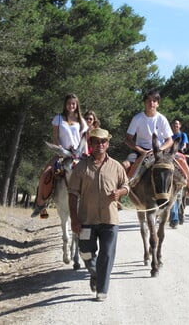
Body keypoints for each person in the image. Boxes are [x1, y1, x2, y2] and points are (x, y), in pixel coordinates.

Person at [68, 128, 129, 302]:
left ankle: (102, 290)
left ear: (107, 144)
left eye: (103, 142)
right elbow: (72, 194)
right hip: (86, 219)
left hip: (110, 220)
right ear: (90, 144)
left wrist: (120, 192)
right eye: (96, 141)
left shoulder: (116, 166)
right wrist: (74, 219)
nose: (100, 145)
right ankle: (95, 273)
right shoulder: (80, 167)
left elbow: (126, 186)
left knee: (107, 254)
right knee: (85, 252)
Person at [123, 89, 189, 209]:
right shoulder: (137, 118)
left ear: (158, 104)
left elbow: (169, 140)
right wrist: (140, 150)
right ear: (144, 102)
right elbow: (128, 139)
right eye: (149, 101)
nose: (151, 103)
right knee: (125, 165)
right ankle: (121, 195)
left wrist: (159, 149)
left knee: (183, 161)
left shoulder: (162, 119)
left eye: (154, 101)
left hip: (161, 151)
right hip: (141, 151)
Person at [31, 93, 88, 219]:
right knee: (45, 174)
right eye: (68, 103)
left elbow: (84, 140)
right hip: (63, 153)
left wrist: (86, 154)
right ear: (65, 105)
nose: (71, 106)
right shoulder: (58, 118)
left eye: (73, 103)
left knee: (92, 175)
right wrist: (60, 149)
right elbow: (55, 137)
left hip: (78, 155)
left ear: (77, 104)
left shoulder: (82, 121)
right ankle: (41, 205)